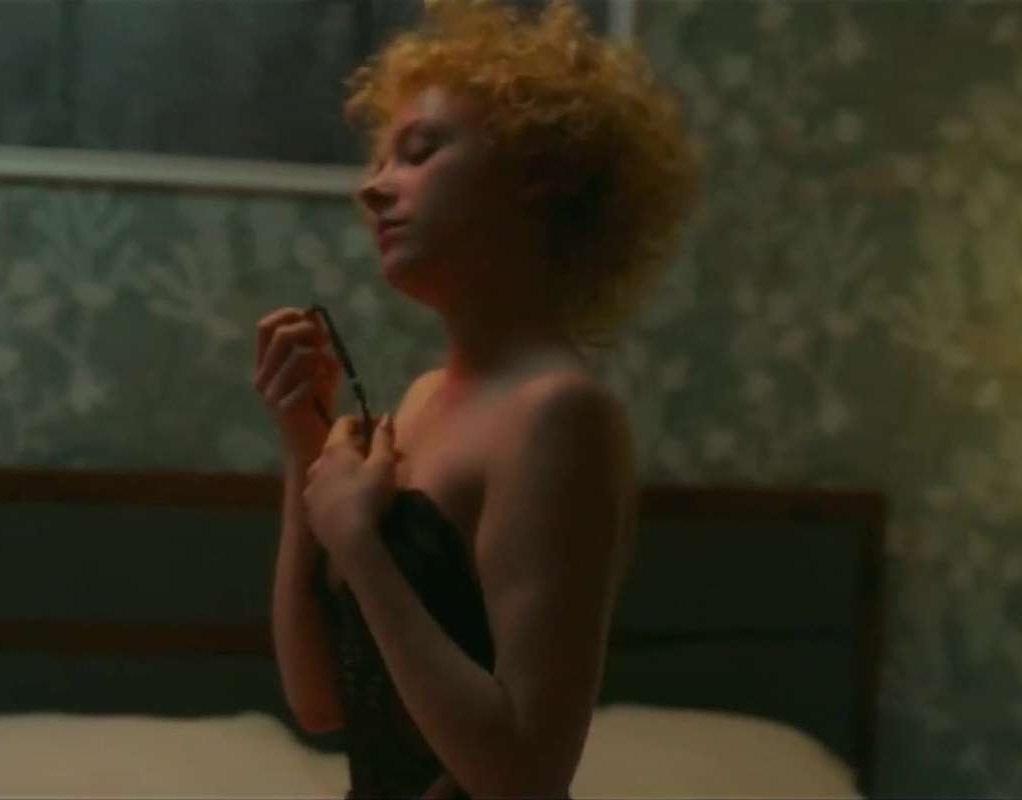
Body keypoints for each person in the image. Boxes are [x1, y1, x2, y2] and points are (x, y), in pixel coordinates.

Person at [252, 0, 702, 796]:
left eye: (417, 153)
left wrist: (358, 543)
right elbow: (319, 701)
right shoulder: (424, 399)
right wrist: (303, 448)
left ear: (537, 173)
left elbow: (524, 775)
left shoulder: (561, 415)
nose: (372, 189)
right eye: (379, 162)